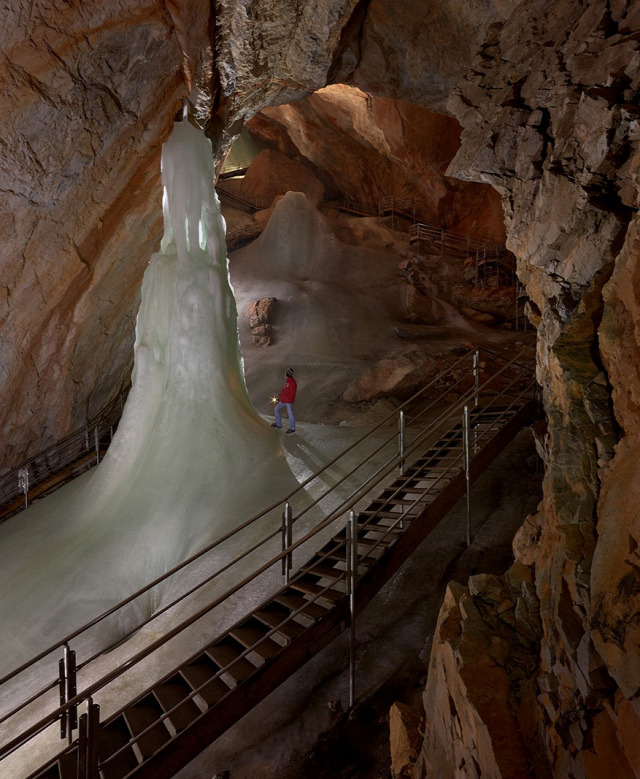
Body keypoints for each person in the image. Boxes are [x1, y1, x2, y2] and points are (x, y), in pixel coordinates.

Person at [272, 368, 297, 434]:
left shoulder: (292, 383)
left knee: (290, 414)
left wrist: (282, 398)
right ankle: (278, 424)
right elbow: (284, 392)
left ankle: (292, 428)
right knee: (276, 409)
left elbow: (291, 394)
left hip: (288, 401)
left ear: (287, 374)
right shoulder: (287, 382)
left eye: (285, 373)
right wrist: (279, 396)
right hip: (284, 400)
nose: (284, 374)